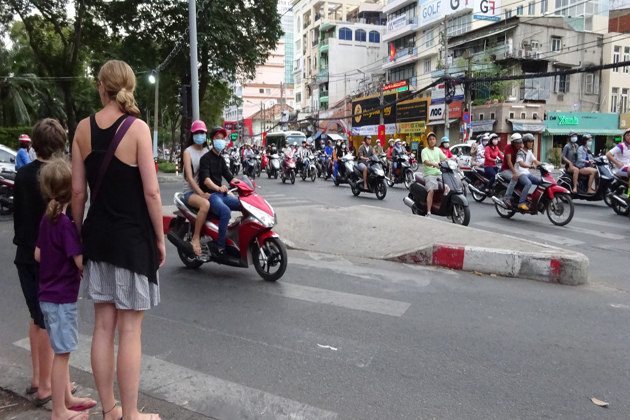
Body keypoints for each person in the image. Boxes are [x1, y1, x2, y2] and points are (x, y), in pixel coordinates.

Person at [72, 60, 163, 420]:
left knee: (102, 326)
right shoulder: (138, 128)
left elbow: (78, 194)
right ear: (129, 87)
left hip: (97, 238)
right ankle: (130, 416)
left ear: (100, 86)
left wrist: (78, 239)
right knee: (129, 330)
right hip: (132, 239)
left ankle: (109, 409)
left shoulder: (82, 129)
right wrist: (160, 238)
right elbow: (152, 193)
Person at [36, 157, 97, 420]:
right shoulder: (66, 225)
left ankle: (67, 398)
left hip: (47, 298)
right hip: (62, 301)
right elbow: (79, 260)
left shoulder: (47, 221)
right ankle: (59, 411)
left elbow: (38, 255)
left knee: (61, 348)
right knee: (61, 354)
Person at [14, 119, 68, 409]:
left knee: (37, 318)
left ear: (32, 143)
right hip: (48, 257)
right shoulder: (59, 177)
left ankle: (39, 377)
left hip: (23, 255)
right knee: (49, 320)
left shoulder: (21, 174)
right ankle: (47, 385)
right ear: (60, 145)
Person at [198, 128, 238, 259]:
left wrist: (244, 184)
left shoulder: (221, 159)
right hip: (211, 195)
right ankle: (221, 247)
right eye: (218, 138)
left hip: (222, 195)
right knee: (225, 211)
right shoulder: (205, 158)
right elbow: (206, 179)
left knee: (243, 204)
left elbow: (229, 176)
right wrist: (218, 188)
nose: (221, 141)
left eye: (223, 138)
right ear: (212, 140)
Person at [182, 121, 211, 256]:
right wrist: (201, 194)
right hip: (190, 192)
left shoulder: (207, 151)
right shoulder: (188, 152)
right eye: (197, 133)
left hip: (204, 190)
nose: (200, 135)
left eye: (202, 133)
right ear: (193, 134)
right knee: (205, 204)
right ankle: (195, 238)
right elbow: (189, 177)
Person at [421, 132, 448, 217]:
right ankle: (429, 211)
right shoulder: (424, 151)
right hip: (429, 174)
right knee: (431, 190)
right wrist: (434, 164)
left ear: (436, 141)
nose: (432, 141)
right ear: (428, 141)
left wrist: (454, 160)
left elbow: (445, 158)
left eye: (433, 139)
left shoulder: (438, 150)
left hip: (439, 173)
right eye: (430, 139)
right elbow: (426, 161)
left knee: (447, 189)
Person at [514, 133, 543, 211]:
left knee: (541, 182)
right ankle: (521, 203)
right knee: (528, 183)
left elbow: (536, 161)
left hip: (526, 173)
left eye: (532, 142)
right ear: (525, 142)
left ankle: (533, 199)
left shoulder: (529, 152)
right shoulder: (520, 152)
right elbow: (521, 164)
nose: (531, 144)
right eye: (529, 142)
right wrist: (530, 166)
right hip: (520, 173)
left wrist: (545, 165)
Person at [606, 128, 630, 203]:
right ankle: (629, 194)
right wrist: (618, 164)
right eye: (628, 135)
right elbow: (608, 154)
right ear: (624, 137)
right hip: (621, 168)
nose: (629, 137)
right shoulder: (621, 146)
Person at [499, 133, 523, 206]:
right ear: (513, 142)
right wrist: (514, 173)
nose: (518, 144)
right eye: (517, 142)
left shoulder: (520, 148)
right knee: (514, 179)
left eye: (520, 142)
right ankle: (507, 198)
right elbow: (509, 161)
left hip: (515, 169)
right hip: (505, 170)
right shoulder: (508, 147)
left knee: (523, 179)